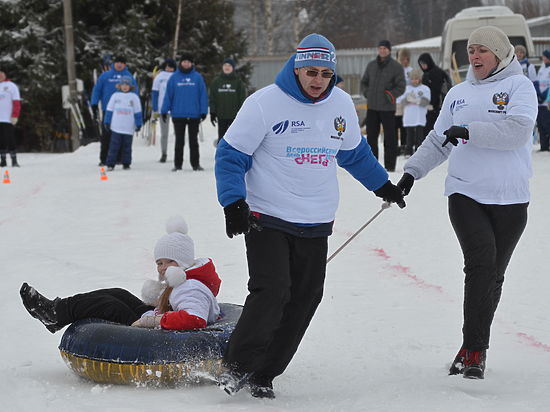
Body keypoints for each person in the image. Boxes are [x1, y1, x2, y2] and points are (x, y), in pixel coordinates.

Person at [214, 33, 405, 399]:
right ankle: (237, 365)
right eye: (311, 72)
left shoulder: (341, 106)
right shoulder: (265, 103)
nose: (318, 80)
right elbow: (231, 154)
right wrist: (233, 203)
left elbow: (354, 154)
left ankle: (265, 373)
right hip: (266, 215)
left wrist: (384, 186)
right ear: (297, 68)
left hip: (315, 220)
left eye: (325, 74)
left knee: (305, 297)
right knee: (273, 291)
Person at [396, 26, 537, 380]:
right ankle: (476, 349)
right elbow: (439, 139)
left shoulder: (519, 87)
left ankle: (468, 345)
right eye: (470, 50)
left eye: (482, 51)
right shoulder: (458, 94)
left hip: (510, 198)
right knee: (481, 265)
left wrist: (471, 130)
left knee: (493, 276)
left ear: (500, 54)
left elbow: (519, 131)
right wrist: (412, 173)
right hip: (465, 193)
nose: (473, 57)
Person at [20, 216, 221, 333]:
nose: (161, 268)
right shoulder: (186, 281)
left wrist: (156, 321)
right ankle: (58, 309)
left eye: (168, 262)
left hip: (152, 328)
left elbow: (195, 319)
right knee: (118, 292)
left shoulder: (190, 287)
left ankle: (56, 313)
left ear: (183, 262)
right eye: (159, 263)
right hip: (154, 317)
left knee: (107, 305)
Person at [360, 40, 405, 172]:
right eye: (380, 48)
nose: (382, 50)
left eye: (385, 48)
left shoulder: (396, 67)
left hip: (387, 108)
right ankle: (372, 166)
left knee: (390, 138)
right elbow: (364, 82)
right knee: (371, 137)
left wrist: (390, 95)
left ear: (389, 50)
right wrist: (367, 93)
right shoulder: (371, 65)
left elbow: (401, 86)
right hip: (372, 107)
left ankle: (390, 166)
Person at [161, 53, 208, 172]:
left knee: (193, 142)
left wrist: (203, 111)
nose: (186, 63)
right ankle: (178, 165)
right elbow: (168, 95)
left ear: (192, 63)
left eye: (188, 61)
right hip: (178, 114)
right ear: (180, 63)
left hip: (194, 115)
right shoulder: (174, 78)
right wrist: (164, 110)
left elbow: (203, 95)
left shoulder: (197, 77)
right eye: (184, 61)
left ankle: (195, 164)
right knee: (179, 142)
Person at [91, 55, 139, 166]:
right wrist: (94, 103)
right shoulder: (105, 76)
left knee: (122, 136)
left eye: (122, 63)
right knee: (107, 135)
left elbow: (135, 93)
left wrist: (136, 110)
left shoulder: (129, 76)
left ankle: (120, 158)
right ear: (114, 64)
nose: (119, 64)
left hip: (124, 112)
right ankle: (104, 158)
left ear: (125, 65)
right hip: (108, 110)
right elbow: (97, 90)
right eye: (117, 62)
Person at [103, 76, 143, 171]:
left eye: (127, 85)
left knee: (127, 146)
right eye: (123, 85)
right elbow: (109, 110)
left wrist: (139, 123)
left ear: (130, 86)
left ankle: (126, 163)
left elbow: (137, 111)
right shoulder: (115, 96)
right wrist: (107, 122)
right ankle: (110, 164)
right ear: (119, 86)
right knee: (114, 146)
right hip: (116, 126)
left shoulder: (134, 97)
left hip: (128, 127)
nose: (125, 87)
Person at [209, 58, 246, 145]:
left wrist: (242, 113)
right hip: (221, 116)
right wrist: (213, 112)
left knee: (234, 140)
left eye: (229, 66)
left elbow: (242, 99)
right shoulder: (216, 82)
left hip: (235, 117)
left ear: (233, 68)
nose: (227, 67)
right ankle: (221, 158)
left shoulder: (238, 82)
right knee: (222, 139)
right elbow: (212, 98)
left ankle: (233, 158)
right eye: (225, 65)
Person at [395, 68, 430, 156]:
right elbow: (400, 101)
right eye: (412, 79)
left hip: (419, 117)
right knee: (409, 136)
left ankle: (419, 152)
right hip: (409, 117)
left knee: (419, 136)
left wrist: (416, 101)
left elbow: (426, 102)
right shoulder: (406, 89)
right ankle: (408, 151)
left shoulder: (424, 89)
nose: (414, 81)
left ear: (420, 79)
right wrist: (407, 99)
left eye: (416, 79)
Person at [418, 52, 452, 136]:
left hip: (435, 107)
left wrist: (431, 105)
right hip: (430, 107)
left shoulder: (435, 73)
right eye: (421, 64)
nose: (423, 66)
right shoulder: (427, 73)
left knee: (432, 132)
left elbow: (436, 90)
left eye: (424, 63)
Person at [151, 58, 177, 163]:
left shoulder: (177, 76)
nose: (169, 68)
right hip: (163, 109)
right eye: (167, 66)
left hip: (176, 109)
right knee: (164, 133)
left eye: (171, 67)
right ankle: (164, 153)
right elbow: (155, 92)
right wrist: (155, 107)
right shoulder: (160, 77)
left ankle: (177, 154)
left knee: (178, 134)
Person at [0, 69, 21, 167]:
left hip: (8, 118)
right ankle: (3, 160)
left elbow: (16, 102)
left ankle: (14, 160)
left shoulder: (11, 86)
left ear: (4, 75)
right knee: (1, 140)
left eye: (1, 74)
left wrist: (15, 115)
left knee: (10, 138)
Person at [395, 48, 413, 155]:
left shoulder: (410, 70)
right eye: (403, 59)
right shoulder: (396, 70)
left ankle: (404, 144)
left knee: (404, 124)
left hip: (407, 101)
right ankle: (395, 145)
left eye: (407, 59)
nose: (405, 61)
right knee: (395, 123)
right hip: (397, 100)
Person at [534, 49, 550, 152]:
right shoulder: (542, 68)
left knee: (547, 123)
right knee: (540, 125)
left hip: (547, 102)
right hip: (540, 102)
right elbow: (537, 82)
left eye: (545, 57)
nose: (543, 58)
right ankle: (543, 146)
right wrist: (538, 95)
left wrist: (544, 96)